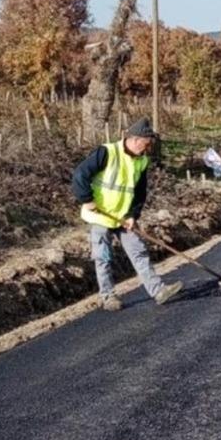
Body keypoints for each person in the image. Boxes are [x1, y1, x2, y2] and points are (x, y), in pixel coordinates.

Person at [71, 118, 182, 311]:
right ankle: (108, 297)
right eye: (146, 144)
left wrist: (133, 215)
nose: (148, 149)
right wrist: (86, 199)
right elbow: (80, 175)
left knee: (139, 251)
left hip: (123, 217)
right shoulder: (107, 152)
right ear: (135, 139)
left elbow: (139, 193)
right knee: (103, 257)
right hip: (100, 216)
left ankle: (158, 291)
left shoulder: (142, 161)